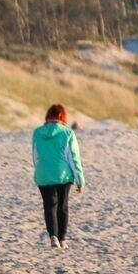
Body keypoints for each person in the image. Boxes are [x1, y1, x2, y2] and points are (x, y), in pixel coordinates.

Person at [32, 104, 85, 249]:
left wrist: (41, 171)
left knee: (49, 206)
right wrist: (80, 180)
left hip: (43, 174)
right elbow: (73, 158)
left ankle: (53, 237)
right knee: (62, 206)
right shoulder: (68, 133)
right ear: (62, 117)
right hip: (63, 175)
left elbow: (36, 156)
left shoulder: (37, 133)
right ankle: (62, 239)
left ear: (48, 117)